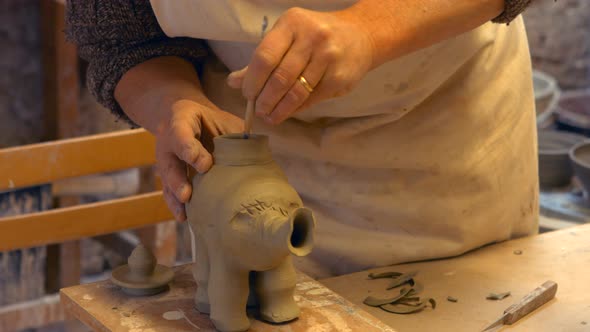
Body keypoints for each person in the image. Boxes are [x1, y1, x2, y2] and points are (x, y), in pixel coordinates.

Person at [66, 0, 538, 279]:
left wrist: (370, 30)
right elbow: (120, 36)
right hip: (244, 131)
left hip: (444, 120)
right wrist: (170, 102)